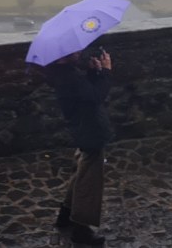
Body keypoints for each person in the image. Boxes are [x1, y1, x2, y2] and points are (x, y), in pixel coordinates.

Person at [44, 45, 115, 246]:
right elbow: (96, 97)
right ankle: (81, 229)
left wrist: (94, 72)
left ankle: (65, 215)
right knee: (89, 179)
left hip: (84, 127)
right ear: (62, 56)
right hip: (89, 130)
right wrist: (107, 72)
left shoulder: (63, 73)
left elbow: (86, 94)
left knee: (82, 169)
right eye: (73, 51)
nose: (79, 53)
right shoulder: (68, 76)